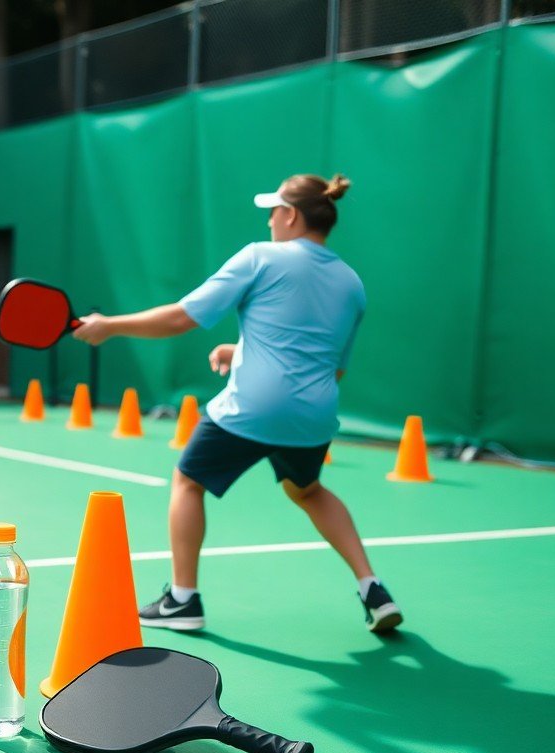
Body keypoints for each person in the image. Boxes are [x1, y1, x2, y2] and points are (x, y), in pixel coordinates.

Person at [72, 173, 402, 634]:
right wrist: (241, 351)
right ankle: (373, 588)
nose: (268, 221)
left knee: (187, 480)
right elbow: (328, 364)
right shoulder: (352, 283)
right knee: (308, 491)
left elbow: (181, 318)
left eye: (273, 211)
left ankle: (182, 600)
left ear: (290, 215)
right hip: (316, 414)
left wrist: (109, 325)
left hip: (254, 407)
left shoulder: (260, 257)